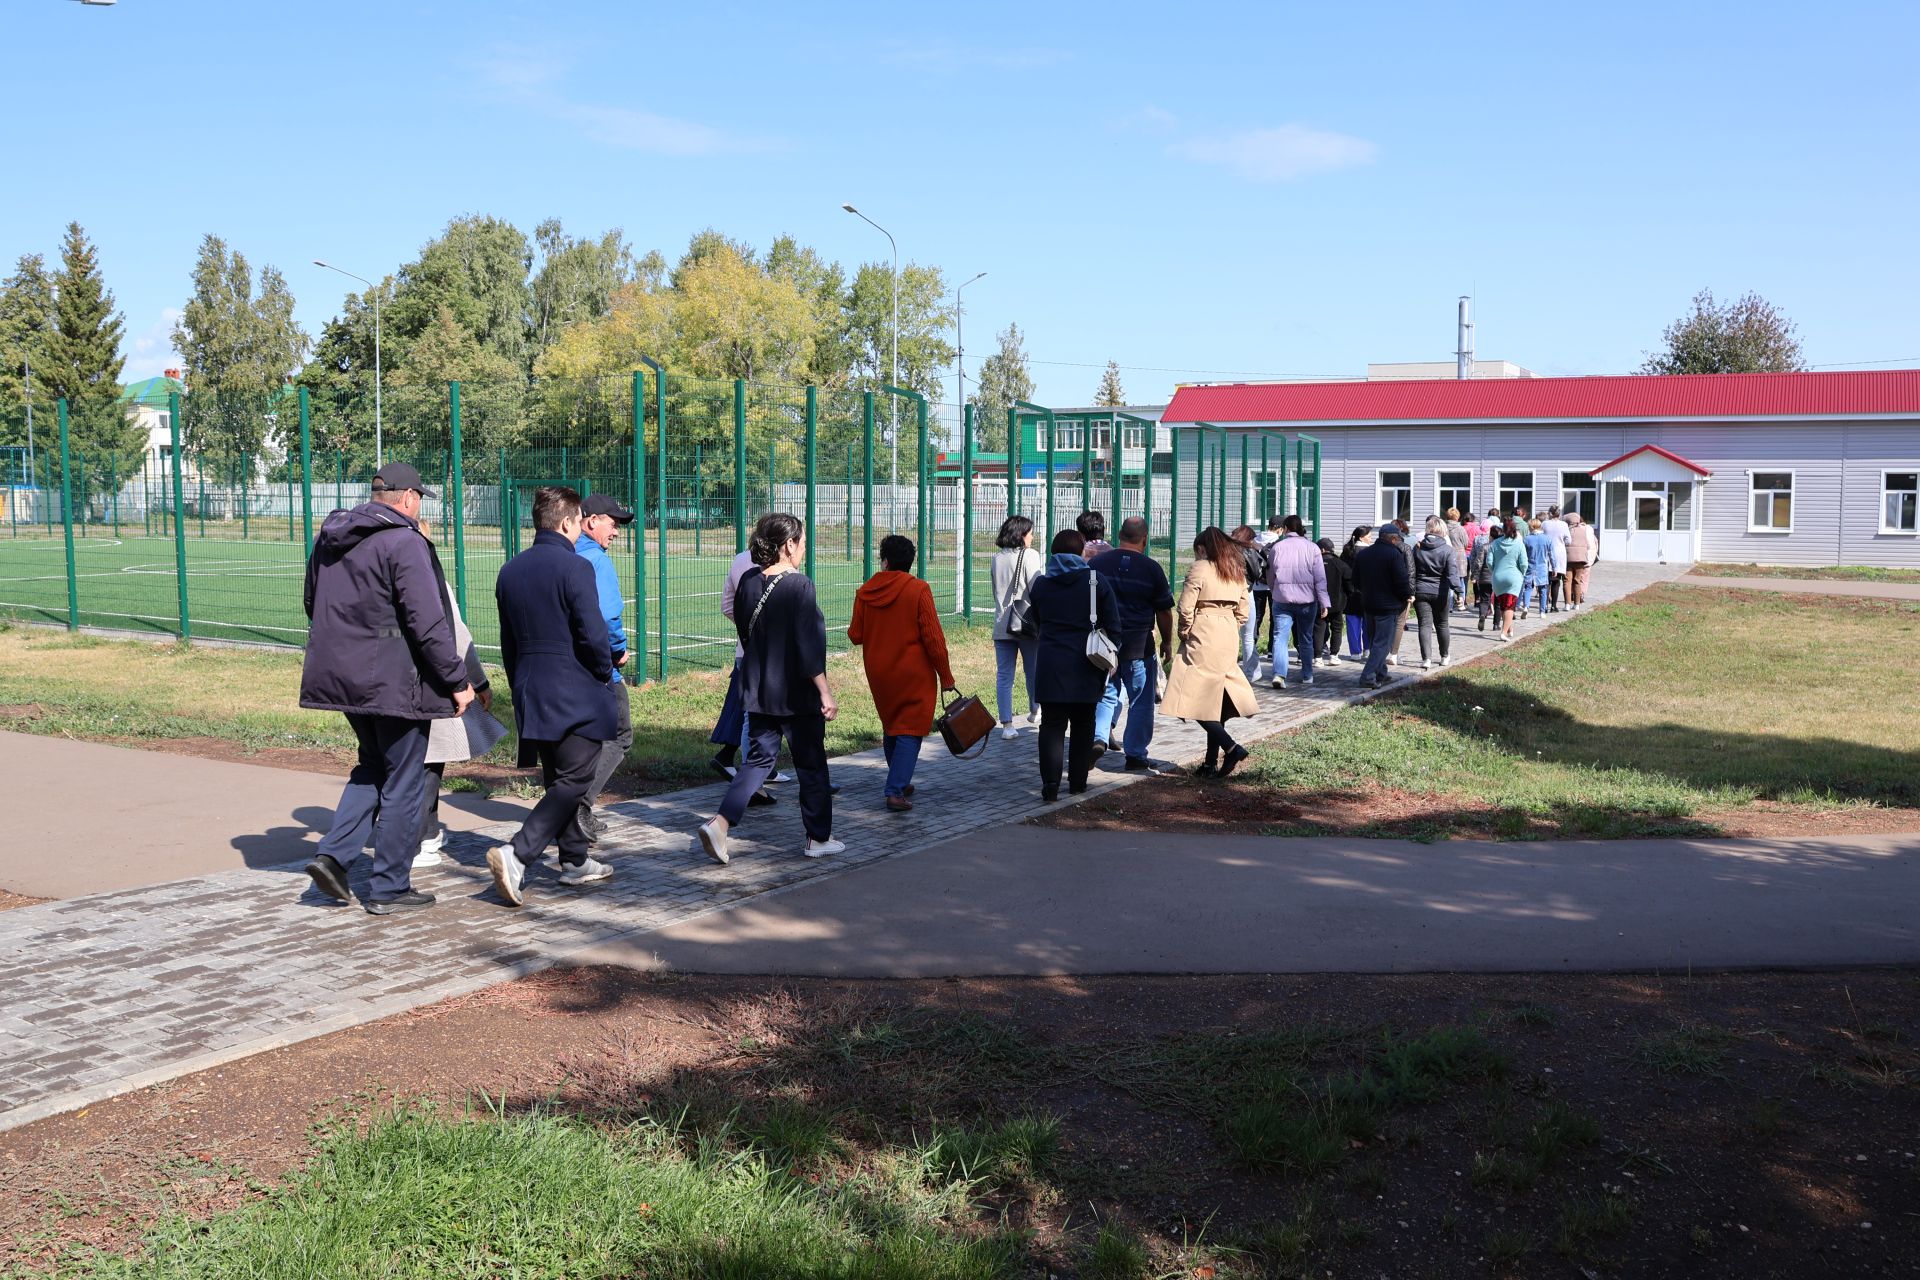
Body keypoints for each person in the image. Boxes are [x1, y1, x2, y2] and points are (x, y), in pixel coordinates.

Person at [300, 462, 475, 915]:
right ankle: (390, 887)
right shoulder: (406, 541)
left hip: (343, 676)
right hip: (397, 681)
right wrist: (458, 681)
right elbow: (428, 622)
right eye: (420, 500)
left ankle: (334, 858)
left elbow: (310, 603)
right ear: (409, 499)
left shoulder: (330, 538)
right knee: (404, 779)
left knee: (372, 766)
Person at [485, 485, 620, 906]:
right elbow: (593, 633)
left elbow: (509, 643)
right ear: (567, 522)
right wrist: (603, 671)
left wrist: (518, 681)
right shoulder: (575, 567)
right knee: (576, 777)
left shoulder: (510, 570)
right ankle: (518, 852)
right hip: (574, 688)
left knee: (557, 774)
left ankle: (575, 861)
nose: (582, 528)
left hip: (530, 686)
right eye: (580, 521)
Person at [697, 514, 842, 864]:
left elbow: (745, 629)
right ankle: (818, 838)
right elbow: (809, 646)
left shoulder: (748, 581)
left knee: (758, 760)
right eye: (802, 542)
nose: (805, 548)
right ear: (788, 545)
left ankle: (720, 823)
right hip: (797, 693)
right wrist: (824, 690)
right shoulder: (800, 586)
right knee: (811, 764)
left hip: (758, 687)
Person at [848, 535, 955, 811]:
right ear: (910, 562)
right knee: (910, 729)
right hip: (913, 672)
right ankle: (895, 790)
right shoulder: (918, 589)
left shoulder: (865, 592)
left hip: (879, 672)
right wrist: (946, 676)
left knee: (892, 724)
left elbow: (856, 635)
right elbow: (933, 638)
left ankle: (900, 778)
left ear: (884, 560)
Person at [1025, 528, 1120, 801]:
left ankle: (1050, 786)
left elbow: (1037, 620)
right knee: (1083, 723)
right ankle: (1078, 782)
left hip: (1051, 663)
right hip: (1086, 663)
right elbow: (1114, 625)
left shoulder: (1041, 584)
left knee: (1052, 726)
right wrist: (1113, 655)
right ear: (1081, 552)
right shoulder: (1096, 581)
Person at [1160, 527, 1260, 776]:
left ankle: (1231, 746)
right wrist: (1229, 624)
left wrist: (1185, 632)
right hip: (1227, 632)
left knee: (1190, 699)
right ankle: (1209, 762)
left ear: (1203, 548)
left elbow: (1185, 607)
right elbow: (1243, 611)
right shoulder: (1235, 569)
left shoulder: (1200, 568)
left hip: (1203, 630)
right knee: (1215, 699)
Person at [414, 575, 494, 868]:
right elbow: (455, 633)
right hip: (429, 685)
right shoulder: (423, 574)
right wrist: (477, 680)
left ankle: (429, 832)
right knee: (429, 762)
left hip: (381, 685)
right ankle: (419, 840)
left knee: (412, 761)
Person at [1088, 516, 1176, 772]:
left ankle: (1099, 738)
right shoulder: (1152, 568)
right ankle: (1136, 754)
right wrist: (1167, 641)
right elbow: (1164, 611)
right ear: (1145, 539)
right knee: (1140, 700)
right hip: (1139, 646)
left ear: (1119, 535)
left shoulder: (1096, 564)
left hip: (1103, 646)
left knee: (1105, 694)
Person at [574, 494, 635, 841]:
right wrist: (618, 651)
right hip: (600, 670)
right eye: (613, 524)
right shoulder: (596, 560)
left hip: (567, 670)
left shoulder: (566, 552)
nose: (616, 532)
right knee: (620, 735)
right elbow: (609, 616)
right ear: (592, 520)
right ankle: (579, 805)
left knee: (581, 740)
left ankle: (573, 804)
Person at [990, 515, 1044, 740]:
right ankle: (1034, 709)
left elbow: (996, 591)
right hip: (1026, 623)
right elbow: (1036, 587)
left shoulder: (996, 558)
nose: (1032, 536)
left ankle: (1007, 725)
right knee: (1032, 670)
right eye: (1030, 532)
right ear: (1021, 534)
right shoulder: (1030, 555)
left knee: (1004, 675)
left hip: (1002, 623)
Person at [1265, 514, 1328, 689]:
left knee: (1280, 637)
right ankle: (1307, 675)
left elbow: (1270, 575)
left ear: (1285, 529)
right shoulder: (1313, 548)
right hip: (1307, 600)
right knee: (1306, 637)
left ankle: (1279, 674)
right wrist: (1324, 602)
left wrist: (1274, 589)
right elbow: (1320, 578)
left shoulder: (1278, 548)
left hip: (1282, 599)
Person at [1350, 522, 1412, 689]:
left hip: (1369, 604)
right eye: (1398, 538)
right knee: (1382, 643)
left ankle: (1381, 673)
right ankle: (1368, 677)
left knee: (1374, 640)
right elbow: (1401, 580)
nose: (1398, 541)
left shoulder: (1364, 554)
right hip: (1388, 605)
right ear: (1392, 538)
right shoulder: (1394, 555)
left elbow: (1355, 580)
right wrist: (1407, 595)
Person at [1412, 515, 1457, 669]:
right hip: (1440, 591)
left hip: (1420, 590)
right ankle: (1444, 656)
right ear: (1443, 530)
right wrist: (1458, 590)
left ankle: (1427, 659)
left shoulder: (1417, 547)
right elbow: (1452, 573)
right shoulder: (1448, 550)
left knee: (1424, 625)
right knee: (1442, 624)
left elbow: (1412, 571)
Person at [1230, 524, 1266, 679]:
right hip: (1245, 592)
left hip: (1226, 593)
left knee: (1230, 633)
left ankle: (1228, 670)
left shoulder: (1225, 549)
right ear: (1248, 538)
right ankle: (1251, 673)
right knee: (1248, 635)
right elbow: (1257, 573)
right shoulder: (1249, 550)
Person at [1488, 518, 1530, 642]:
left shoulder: (1495, 543)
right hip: (1513, 577)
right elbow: (1524, 564)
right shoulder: (1519, 544)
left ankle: (1509, 628)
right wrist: (1521, 574)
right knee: (1510, 606)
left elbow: (1489, 562)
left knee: (1503, 604)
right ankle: (1503, 633)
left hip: (1498, 577)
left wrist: (1495, 571)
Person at [1250, 515, 1283, 663]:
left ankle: (1252, 646)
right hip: (1273, 585)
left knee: (1257, 616)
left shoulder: (1255, 540)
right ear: (1280, 529)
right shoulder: (1278, 543)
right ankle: (1271, 650)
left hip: (1257, 584)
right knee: (1275, 618)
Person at [1338, 525, 1374, 657]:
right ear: (1361, 537)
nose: (1371, 538)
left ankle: (1355, 652)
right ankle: (1367, 649)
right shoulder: (1371, 552)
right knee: (1368, 623)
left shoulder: (1347, 551)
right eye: (1369, 536)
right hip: (1368, 592)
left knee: (1353, 624)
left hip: (1350, 592)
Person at [1315, 536, 1351, 665]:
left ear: (1322, 549)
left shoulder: (1314, 563)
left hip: (1318, 602)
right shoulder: (1341, 564)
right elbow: (1349, 585)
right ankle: (1334, 655)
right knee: (1337, 628)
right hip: (1338, 602)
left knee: (1319, 628)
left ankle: (1317, 657)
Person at [1388, 517, 1416, 666]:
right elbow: (1411, 571)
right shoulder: (1405, 548)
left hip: (1384, 589)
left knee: (1386, 621)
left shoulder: (1382, 547)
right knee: (1399, 622)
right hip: (1401, 588)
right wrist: (1411, 592)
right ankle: (1393, 654)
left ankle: (1383, 651)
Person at [1540, 505, 1572, 612]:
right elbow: (1568, 541)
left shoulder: (1544, 524)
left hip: (1546, 553)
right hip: (1559, 554)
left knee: (1546, 581)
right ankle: (1554, 605)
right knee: (1556, 581)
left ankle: (1544, 605)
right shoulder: (1564, 525)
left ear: (1550, 513)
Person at [1565, 511, 1599, 610]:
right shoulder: (1585, 530)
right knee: (1578, 580)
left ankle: (1567, 604)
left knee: (1567, 581)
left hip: (1569, 559)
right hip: (1581, 559)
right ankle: (1577, 603)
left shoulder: (1567, 530)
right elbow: (1589, 544)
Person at [1522, 518, 1554, 619]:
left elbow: (1522, 555)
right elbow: (1552, 555)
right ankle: (1542, 611)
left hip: (1530, 566)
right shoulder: (1547, 538)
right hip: (1542, 567)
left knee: (1528, 587)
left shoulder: (1526, 539)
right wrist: (1554, 567)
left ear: (1531, 527)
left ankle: (1526, 606)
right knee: (1543, 589)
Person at [1467, 523, 1496, 631]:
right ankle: (1496, 624)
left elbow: (1475, 557)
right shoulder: (1498, 544)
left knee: (1484, 598)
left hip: (1483, 574)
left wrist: (1474, 574)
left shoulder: (1477, 539)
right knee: (1496, 599)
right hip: (1496, 575)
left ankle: (1482, 615)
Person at [1445, 507, 1469, 611]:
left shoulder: (1444, 527)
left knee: (1449, 579)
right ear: (1457, 516)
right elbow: (1466, 543)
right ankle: (1461, 603)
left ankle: (1449, 605)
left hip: (1447, 554)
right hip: (1459, 555)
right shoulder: (1460, 528)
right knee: (1460, 580)